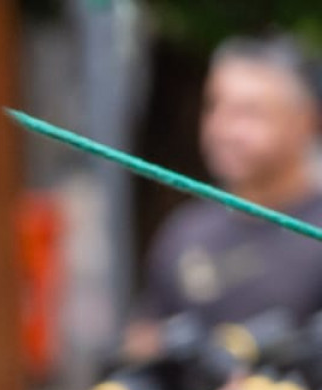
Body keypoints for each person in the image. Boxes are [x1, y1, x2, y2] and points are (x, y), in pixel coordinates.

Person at [127, 35, 322, 357]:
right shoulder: (185, 232)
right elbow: (146, 341)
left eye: (249, 112)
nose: (223, 129)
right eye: (214, 106)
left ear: (306, 122)